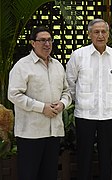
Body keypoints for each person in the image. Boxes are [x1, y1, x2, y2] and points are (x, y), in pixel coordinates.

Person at [8, 26, 72, 180]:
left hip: (53, 131)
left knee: (49, 175)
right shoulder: (22, 66)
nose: (47, 44)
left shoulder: (57, 65)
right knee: (29, 175)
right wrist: (42, 108)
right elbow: (14, 94)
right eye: (42, 40)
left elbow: (67, 91)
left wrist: (63, 104)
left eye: (49, 40)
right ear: (32, 43)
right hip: (30, 133)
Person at [66, 18, 112, 180]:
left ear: (108, 34)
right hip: (85, 114)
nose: (100, 35)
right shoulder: (78, 56)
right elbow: (70, 83)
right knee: (84, 157)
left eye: (103, 31)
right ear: (89, 34)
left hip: (109, 114)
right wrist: (81, 100)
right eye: (96, 32)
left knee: (106, 156)